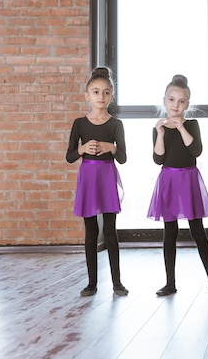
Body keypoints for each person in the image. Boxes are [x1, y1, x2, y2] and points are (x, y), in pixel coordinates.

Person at [147, 74, 208, 296]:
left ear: (187, 104)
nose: (176, 105)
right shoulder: (158, 127)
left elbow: (196, 151)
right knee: (170, 231)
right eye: (172, 100)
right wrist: (161, 133)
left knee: (197, 230)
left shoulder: (192, 124)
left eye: (181, 101)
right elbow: (158, 159)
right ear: (165, 100)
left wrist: (181, 128)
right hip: (169, 181)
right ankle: (170, 283)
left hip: (189, 180)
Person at [66, 66, 129, 297]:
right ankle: (92, 283)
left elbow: (122, 157)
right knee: (91, 232)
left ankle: (117, 282)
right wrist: (82, 148)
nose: (100, 97)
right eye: (95, 92)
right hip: (88, 178)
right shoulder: (79, 124)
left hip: (107, 176)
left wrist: (111, 147)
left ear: (111, 95)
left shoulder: (116, 125)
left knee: (110, 231)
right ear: (87, 95)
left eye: (105, 92)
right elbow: (70, 155)